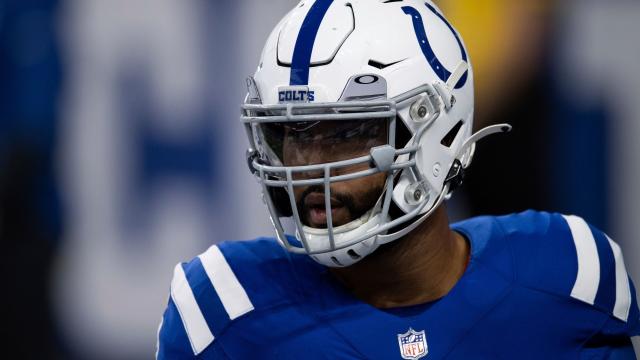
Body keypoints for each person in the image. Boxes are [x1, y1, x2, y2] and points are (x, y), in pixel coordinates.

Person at [156, 1, 639, 358]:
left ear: (437, 130)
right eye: (291, 133)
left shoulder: (568, 275)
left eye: (347, 131)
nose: (306, 165)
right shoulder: (224, 308)